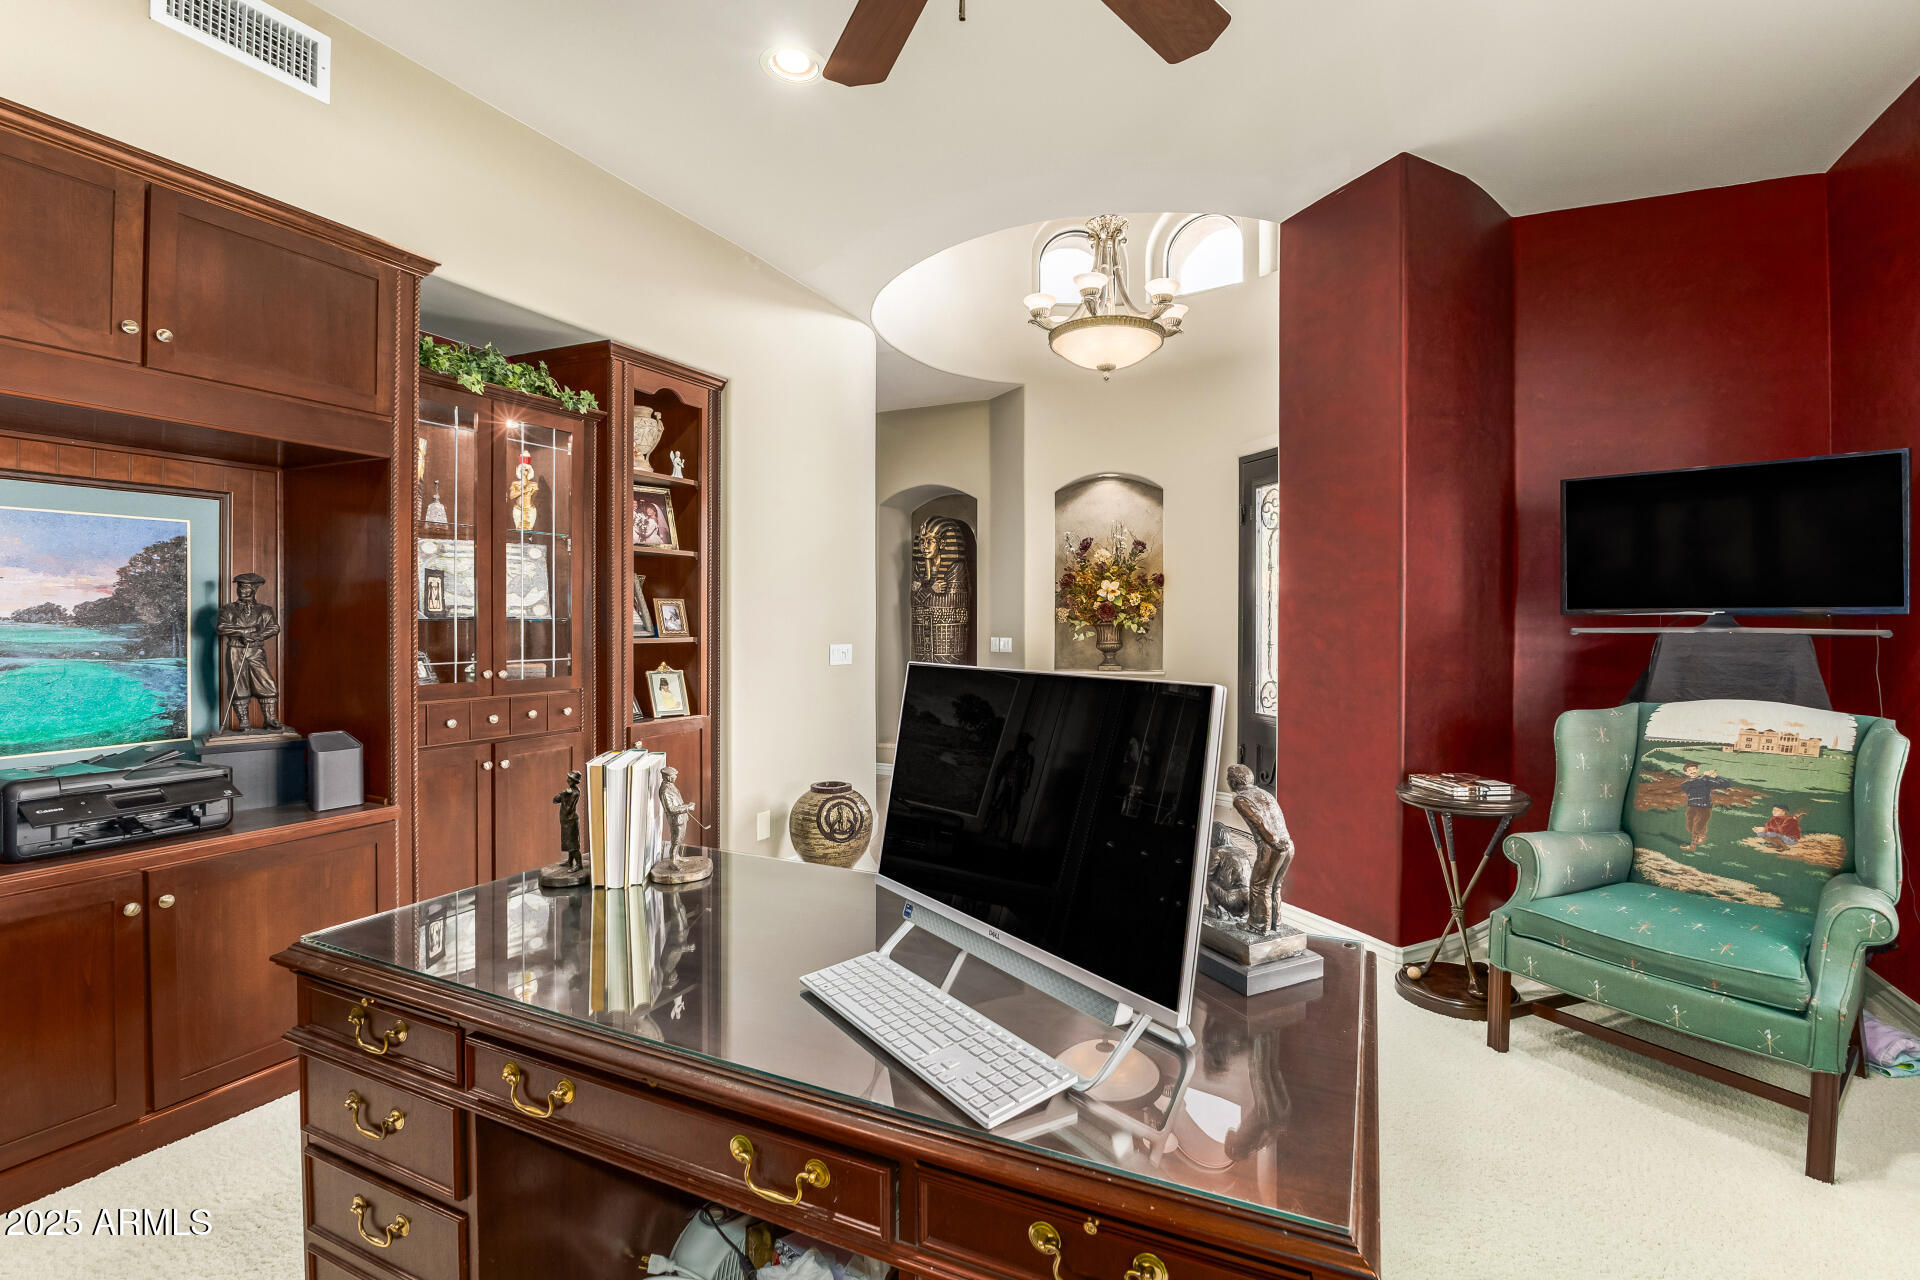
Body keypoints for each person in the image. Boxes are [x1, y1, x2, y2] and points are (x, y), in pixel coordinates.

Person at [1678, 761, 1727, 851]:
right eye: (1689, 770)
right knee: (1689, 827)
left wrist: (1716, 777)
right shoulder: (1685, 784)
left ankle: (1692, 846)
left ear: (1698, 770)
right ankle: (1702, 834)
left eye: (1694, 769)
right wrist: (1707, 777)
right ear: (1686, 773)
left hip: (1705, 807)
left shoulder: (1706, 780)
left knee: (1697, 826)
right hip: (1692, 807)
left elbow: (1725, 784)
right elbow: (1696, 784)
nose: (1692, 771)